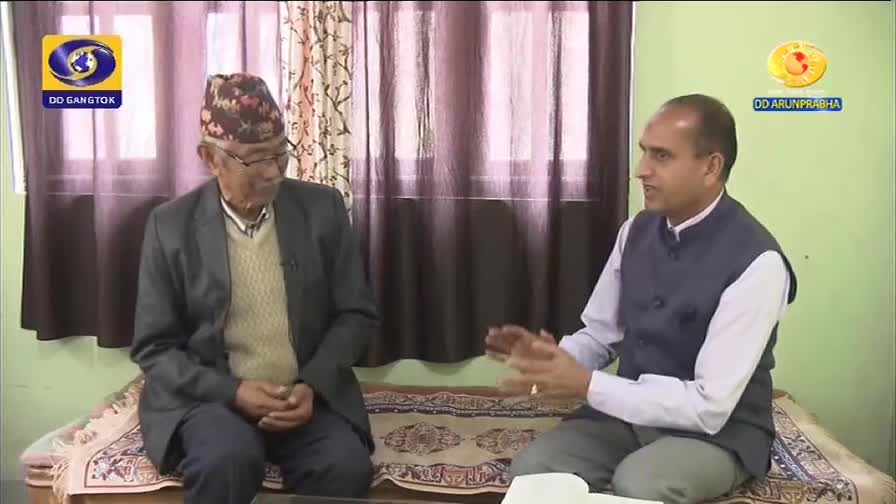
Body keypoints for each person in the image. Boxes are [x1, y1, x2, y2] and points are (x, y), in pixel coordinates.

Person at [486, 94, 798, 504]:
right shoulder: (635, 231)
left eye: (662, 156)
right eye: (644, 153)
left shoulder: (758, 263)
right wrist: (550, 362)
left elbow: (709, 406)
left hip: (718, 433)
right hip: (628, 416)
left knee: (640, 485)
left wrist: (586, 384)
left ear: (711, 166)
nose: (641, 170)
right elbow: (600, 335)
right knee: (533, 473)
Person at [130, 72, 379, 504]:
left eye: (279, 156)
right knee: (227, 461)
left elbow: (356, 315)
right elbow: (154, 347)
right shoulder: (170, 226)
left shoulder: (323, 209)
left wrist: (312, 386)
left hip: (302, 395)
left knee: (346, 468)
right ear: (210, 158)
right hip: (213, 399)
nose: (271, 173)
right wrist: (233, 392)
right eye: (254, 160)